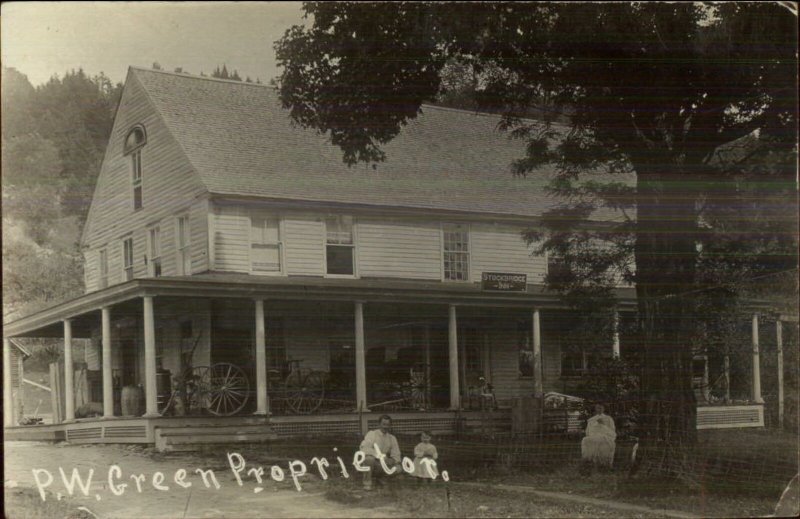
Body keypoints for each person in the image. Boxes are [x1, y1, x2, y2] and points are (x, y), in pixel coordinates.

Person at [359, 414, 401, 490]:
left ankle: (381, 479)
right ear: (379, 424)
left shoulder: (392, 438)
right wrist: (380, 456)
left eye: (388, 425)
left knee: (398, 468)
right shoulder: (372, 434)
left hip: (384, 464)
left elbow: (396, 454)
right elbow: (364, 448)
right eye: (383, 424)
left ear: (390, 426)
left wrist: (393, 460)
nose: (385, 427)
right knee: (368, 459)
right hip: (374, 463)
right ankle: (367, 483)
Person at [581, 403, 617, 469]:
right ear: (595, 409)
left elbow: (613, 432)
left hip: (605, 437)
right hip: (594, 437)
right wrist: (594, 435)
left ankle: (605, 464)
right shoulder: (591, 420)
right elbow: (588, 432)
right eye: (598, 408)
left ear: (604, 409)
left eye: (601, 408)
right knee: (585, 439)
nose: (599, 409)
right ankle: (589, 462)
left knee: (602, 441)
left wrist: (603, 425)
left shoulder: (609, 419)